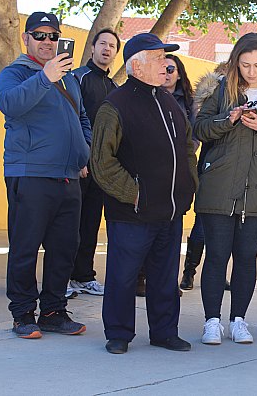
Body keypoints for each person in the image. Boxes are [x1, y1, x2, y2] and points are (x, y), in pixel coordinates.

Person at [90, 33, 198, 354]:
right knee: (123, 277)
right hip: (132, 214)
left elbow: (187, 150)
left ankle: (164, 331)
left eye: (165, 58)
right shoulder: (115, 106)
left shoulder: (169, 102)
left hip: (169, 212)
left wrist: (187, 187)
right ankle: (119, 333)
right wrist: (135, 194)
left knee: (165, 277)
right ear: (136, 65)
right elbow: (101, 163)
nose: (166, 64)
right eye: (157, 58)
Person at [194, 32, 257, 345]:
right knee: (216, 256)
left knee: (246, 257)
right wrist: (229, 119)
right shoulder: (219, 89)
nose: (251, 71)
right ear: (236, 61)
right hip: (219, 185)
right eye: (245, 64)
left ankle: (239, 320)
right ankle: (212, 321)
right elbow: (199, 129)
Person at [0, 12, 91, 338]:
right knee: (25, 247)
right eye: (40, 35)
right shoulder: (16, 73)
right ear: (26, 39)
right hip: (31, 174)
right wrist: (44, 78)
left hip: (68, 176)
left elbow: (83, 120)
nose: (47, 41)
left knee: (65, 247)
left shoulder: (70, 79)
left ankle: (53, 311)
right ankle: (23, 314)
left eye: (53, 36)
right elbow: (9, 104)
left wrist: (84, 152)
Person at [66, 28, 120, 298]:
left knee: (89, 224)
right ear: (93, 48)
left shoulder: (113, 87)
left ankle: (83, 277)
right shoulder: (78, 78)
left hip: (101, 169)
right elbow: (72, 119)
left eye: (112, 46)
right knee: (68, 225)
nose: (107, 49)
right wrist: (80, 156)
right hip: (77, 164)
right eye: (103, 44)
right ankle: (61, 278)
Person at [159, 53, 205, 292]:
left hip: (180, 172)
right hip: (153, 171)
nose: (166, 72)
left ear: (179, 74)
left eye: (171, 69)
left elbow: (195, 136)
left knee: (173, 228)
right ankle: (144, 277)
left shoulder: (188, 102)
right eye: (163, 68)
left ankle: (172, 278)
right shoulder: (148, 95)